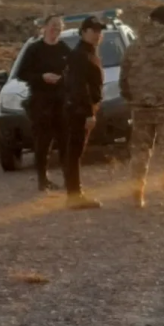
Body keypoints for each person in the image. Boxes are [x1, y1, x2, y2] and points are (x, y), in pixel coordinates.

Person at [119, 4, 164, 211]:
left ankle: (137, 196)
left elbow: (123, 80)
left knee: (140, 152)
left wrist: (132, 99)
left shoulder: (134, 46)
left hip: (140, 108)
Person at [16, 14, 71, 191]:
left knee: (65, 142)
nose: (56, 29)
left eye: (60, 26)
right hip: (40, 103)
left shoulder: (64, 49)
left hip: (61, 102)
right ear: (45, 27)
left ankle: (69, 178)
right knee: (42, 143)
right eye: (53, 25)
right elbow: (22, 73)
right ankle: (43, 179)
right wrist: (42, 77)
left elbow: (73, 73)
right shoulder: (34, 49)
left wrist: (62, 79)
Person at [64, 16, 105, 209]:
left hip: (83, 107)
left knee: (76, 151)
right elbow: (79, 87)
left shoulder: (89, 52)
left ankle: (74, 194)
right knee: (74, 152)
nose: (97, 34)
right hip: (78, 110)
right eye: (93, 30)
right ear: (83, 32)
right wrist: (88, 113)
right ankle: (74, 196)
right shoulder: (80, 55)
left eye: (99, 31)